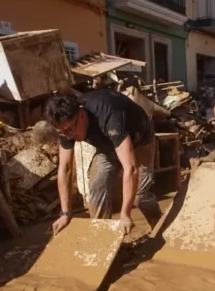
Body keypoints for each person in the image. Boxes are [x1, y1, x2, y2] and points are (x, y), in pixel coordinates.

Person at [43, 91, 161, 236]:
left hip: (140, 139)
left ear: (81, 114)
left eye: (69, 130)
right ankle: (101, 236)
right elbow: (65, 168)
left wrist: (125, 214)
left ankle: (159, 225)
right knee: (98, 181)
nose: (68, 136)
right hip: (108, 144)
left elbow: (130, 168)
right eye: (62, 133)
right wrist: (65, 213)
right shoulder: (66, 126)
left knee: (139, 196)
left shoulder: (109, 115)